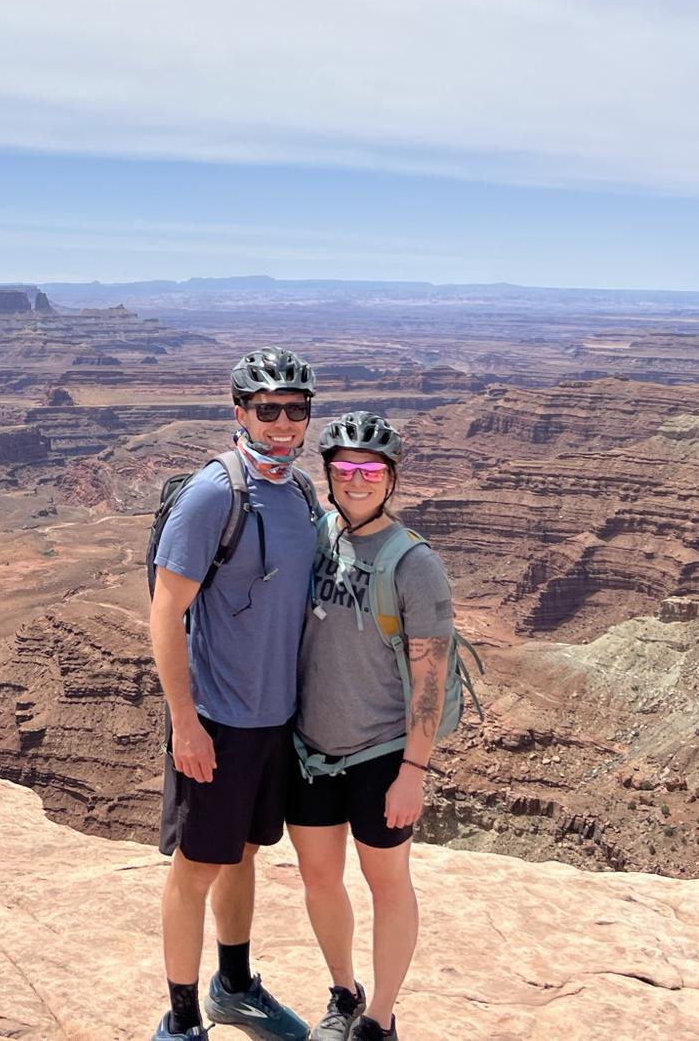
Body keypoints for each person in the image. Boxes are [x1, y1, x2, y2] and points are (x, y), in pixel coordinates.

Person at [149, 348, 322, 1041]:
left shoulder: (299, 492)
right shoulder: (216, 494)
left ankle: (235, 986)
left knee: (244, 853)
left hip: (274, 720)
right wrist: (185, 724)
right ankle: (183, 1020)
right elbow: (165, 612)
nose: (282, 424)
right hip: (218, 721)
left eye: (296, 409)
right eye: (267, 409)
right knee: (196, 869)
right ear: (239, 413)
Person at [287, 412, 453, 1041]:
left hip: (382, 755)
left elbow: (430, 681)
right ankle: (342, 992)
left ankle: (380, 1016)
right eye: (346, 469)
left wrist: (413, 771)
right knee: (320, 878)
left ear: (390, 479)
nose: (357, 481)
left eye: (371, 471)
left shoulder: (414, 565)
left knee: (388, 884)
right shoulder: (320, 535)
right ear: (329, 475)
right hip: (312, 751)